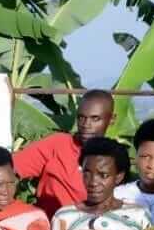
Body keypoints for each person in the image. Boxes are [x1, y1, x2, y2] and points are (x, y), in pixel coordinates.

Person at [14, 89, 115, 218]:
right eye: (81, 118)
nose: (86, 125)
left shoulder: (115, 157)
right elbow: (9, 168)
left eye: (95, 119)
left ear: (111, 120)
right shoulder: (58, 144)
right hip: (49, 229)